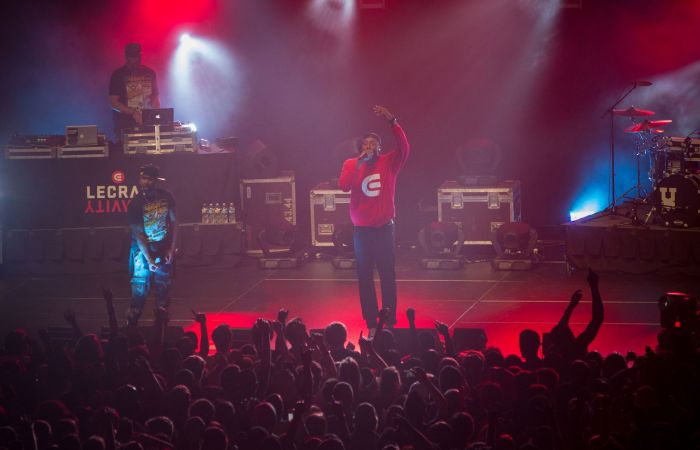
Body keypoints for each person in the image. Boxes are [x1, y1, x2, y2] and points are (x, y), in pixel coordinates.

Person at [338, 105, 410, 333]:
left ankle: (388, 320)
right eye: (366, 144)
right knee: (365, 277)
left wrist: (392, 121)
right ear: (360, 149)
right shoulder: (351, 164)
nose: (370, 146)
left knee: (387, 274)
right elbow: (343, 186)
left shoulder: (389, 162)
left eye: (374, 144)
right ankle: (371, 321)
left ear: (380, 147)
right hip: (362, 232)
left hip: (384, 229)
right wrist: (359, 164)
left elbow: (405, 147)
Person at [126, 164, 176, 326]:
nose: (145, 182)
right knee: (139, 290)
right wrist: (148, 259)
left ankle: (161, 328)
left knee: (163, 290)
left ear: (156, 180)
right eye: (143, 178)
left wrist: (171, 248)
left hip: (163, 247)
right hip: (142, 252)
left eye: (149, 179)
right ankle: (131, 329)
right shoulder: (136, 203)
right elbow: (139, 233)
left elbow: (175, 223)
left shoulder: (166, 197)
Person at [108, 43, 160, 140]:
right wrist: (133, 113)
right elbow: (113, 103)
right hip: (125, 126)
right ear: (126, 57)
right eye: (132, 57)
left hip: (147, 125)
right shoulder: (118, 75)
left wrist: (155, 115)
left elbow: (155, 98)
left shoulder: (150, 73)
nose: (135, 60)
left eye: (138, 56)